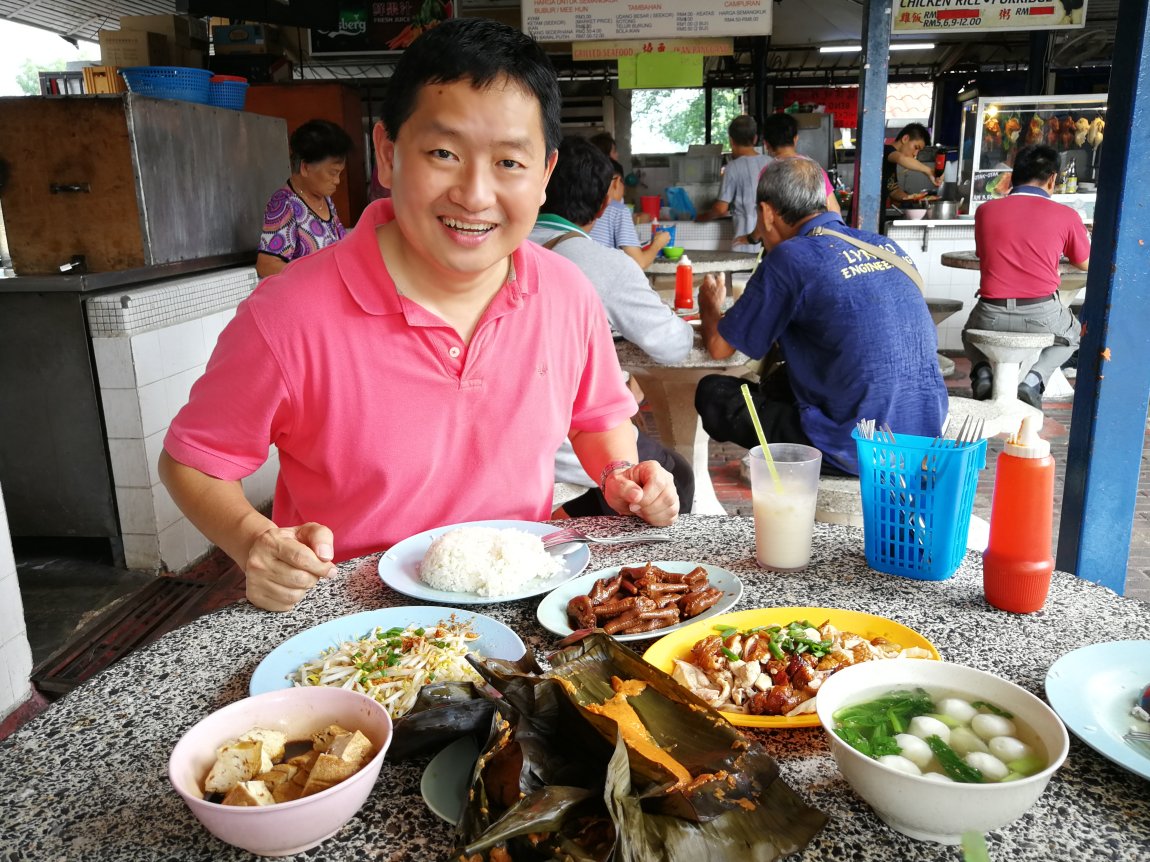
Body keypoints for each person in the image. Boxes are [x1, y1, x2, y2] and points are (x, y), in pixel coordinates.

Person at [159, 18, 679, 612]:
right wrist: (255, 541)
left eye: (510, 162)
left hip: (521, 607)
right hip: (351, 626)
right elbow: (193, 462)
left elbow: (597, 419)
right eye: (443, 153)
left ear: (544, 177)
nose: (475, 194)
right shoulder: (287, 315)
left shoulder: (567, 293)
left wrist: (619, 472)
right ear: (387, 154)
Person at [694, 158, 948, 475]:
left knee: (714, 393)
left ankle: (794, 461)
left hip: (853, 448)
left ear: (767, 213)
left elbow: (719, 347)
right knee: (778, 381)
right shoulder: (885, 245)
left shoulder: (791, 256)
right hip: (923, 435)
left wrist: (709, 306)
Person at [530, 136, 695, 515]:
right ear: (605, 203)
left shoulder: (493, 253)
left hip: (531, 450)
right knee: (676, 474)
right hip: (565, 456)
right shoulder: (597, 263)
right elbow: (674, 344)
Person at [961, 144, 1090, 408]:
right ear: (1052, 178)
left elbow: (983, 252)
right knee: (1074, 332)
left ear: (1013, 175)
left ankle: (983, 372)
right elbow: (1085, 263)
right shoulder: (1066, 215)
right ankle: (1033, 380)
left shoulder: (985, 212)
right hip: (1041, 313)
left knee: (968, 332)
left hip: (991, 314)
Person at [256, 119, 353, 279]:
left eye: (339, 173)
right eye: (332, 173)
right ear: (305, 167)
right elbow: (267, 265)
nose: (337, 181)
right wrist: (313, 277)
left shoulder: (325, 200)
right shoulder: (285, 204)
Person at [696, 115, 773, 254]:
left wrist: (701, 217)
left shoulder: (733, 167)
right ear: (755, 138)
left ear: (731, 141)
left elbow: (720, 209)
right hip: (770, 238)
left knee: (743, 275)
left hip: (744, 239)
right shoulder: (771, 163)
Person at [588, 157, 670, 268]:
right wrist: (658, 244)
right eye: (624, 184)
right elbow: (639, 263)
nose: (624, 192)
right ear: (616, 181)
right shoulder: (618, 210)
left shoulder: (579, 206)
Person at [759, 112, 841, 215]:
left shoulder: (766, 173)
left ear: (766, 144)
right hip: (815, 230)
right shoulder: (814, 169)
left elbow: (766, 216)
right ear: (795, 139)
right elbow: (834, 210)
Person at [882, 122, 940, 210]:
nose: (915, 154)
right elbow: (902, 158)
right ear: (905, 139)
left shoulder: (890, 161)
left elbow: (894, 191)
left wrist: (915, 199)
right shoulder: (887, 150)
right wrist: (928, 171)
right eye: (916, 147)